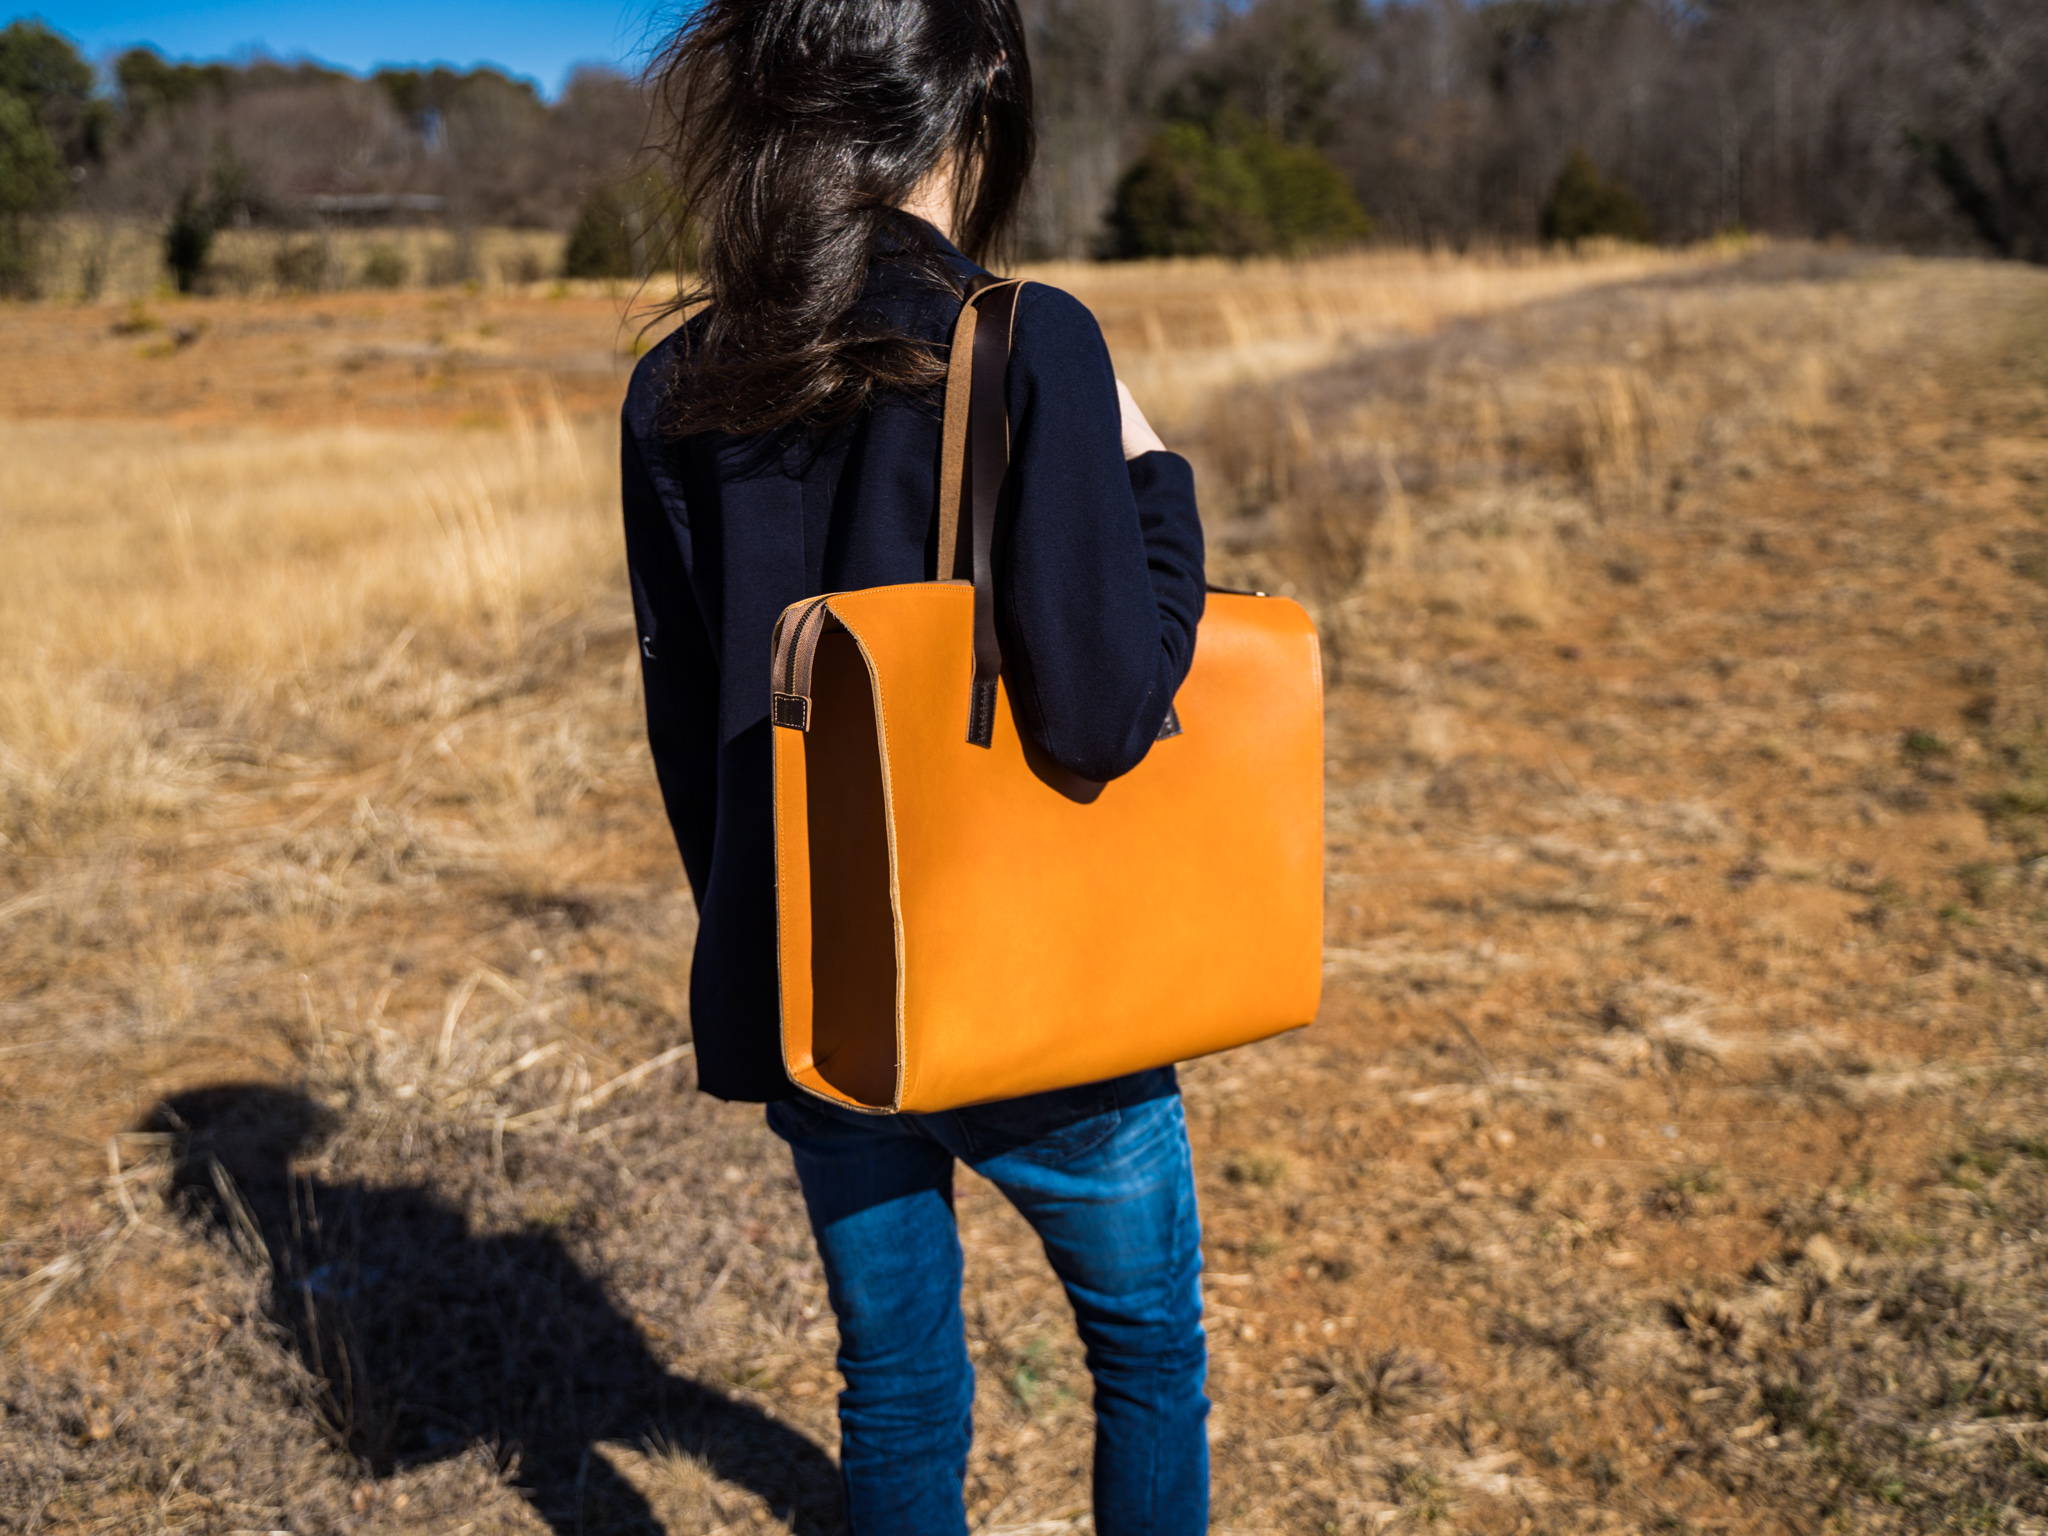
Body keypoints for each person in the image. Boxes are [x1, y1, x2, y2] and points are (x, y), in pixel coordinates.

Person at [620, 2, 1210, 1530]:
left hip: (819, 987)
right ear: (983, 85)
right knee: (1146, 1352)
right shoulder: (1023, 341)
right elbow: (1099, 713)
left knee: (893, 1387)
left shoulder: (681, 381)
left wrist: (765, 963)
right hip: (1041, 1006)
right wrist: (1156, 483)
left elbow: (694, 729)